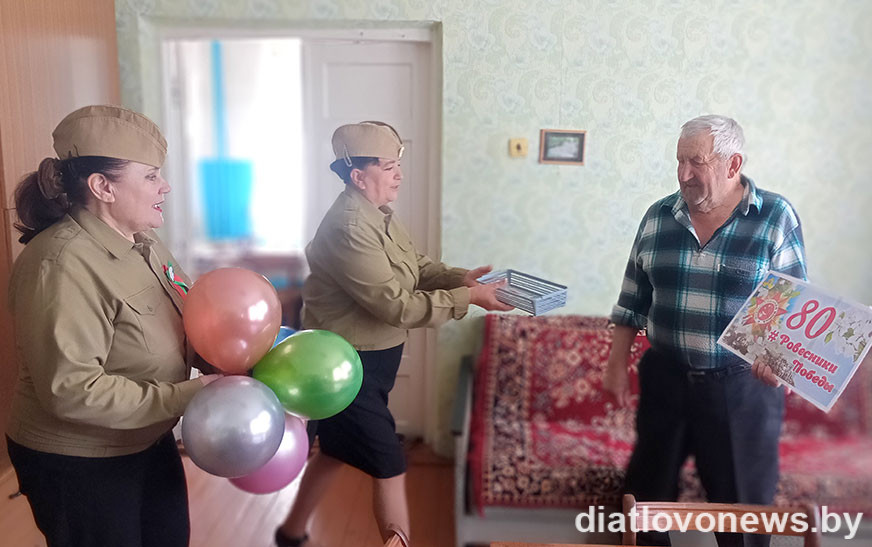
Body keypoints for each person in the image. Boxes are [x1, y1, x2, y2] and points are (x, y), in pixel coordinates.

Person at [275, 121, 512, 547]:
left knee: (335, 451)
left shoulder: (378, 214)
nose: (399, 174)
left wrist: (461, 278)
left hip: (370, 362)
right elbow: (396, 305)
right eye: (388, 166)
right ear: (358, 176)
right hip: (344, 367)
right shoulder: (349, 226)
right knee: (390, 464)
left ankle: (290, 534)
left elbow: (417, 267)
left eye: (398, 164)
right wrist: (470, 297)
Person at [5, 105, 219, 547]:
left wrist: (225, 359)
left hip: (145, 436)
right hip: (79, 461)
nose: (165, 186)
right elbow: (72, 389)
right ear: (102, 186)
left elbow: (184, 318)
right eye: (151, 176)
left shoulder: (144, 241)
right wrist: (189, 394)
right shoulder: (61, 264)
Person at [604, 115, 807, 547]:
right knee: (644, 506)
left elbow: (792, 307)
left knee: (743, 519)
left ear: (733, 164)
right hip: (666, 379)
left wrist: (780, 363)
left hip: (741, 388)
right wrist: (616, 364)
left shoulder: (774, 217)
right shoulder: (658, 216)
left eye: (696, 162)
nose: (683, 175)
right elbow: (632, 298)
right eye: (679, 161)